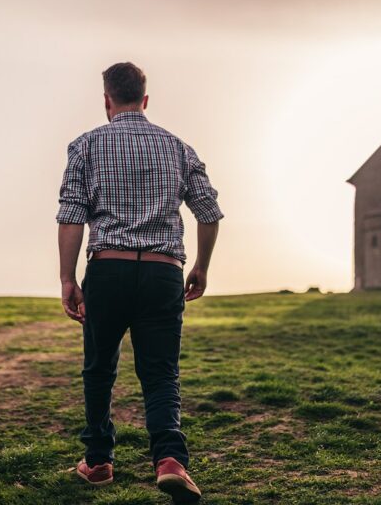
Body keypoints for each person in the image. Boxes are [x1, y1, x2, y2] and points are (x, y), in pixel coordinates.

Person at [56, 62, 223, 503]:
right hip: (162, 271)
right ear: (145, 100)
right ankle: (170, 461)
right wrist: (202, 266)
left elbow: (72, 213)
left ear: (107, 99)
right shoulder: (178, 148)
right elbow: (208, 212)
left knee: (99, 369)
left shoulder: (87, 145)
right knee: (161, 372)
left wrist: (67, 279)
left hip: (107, 270)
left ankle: (97, 462)